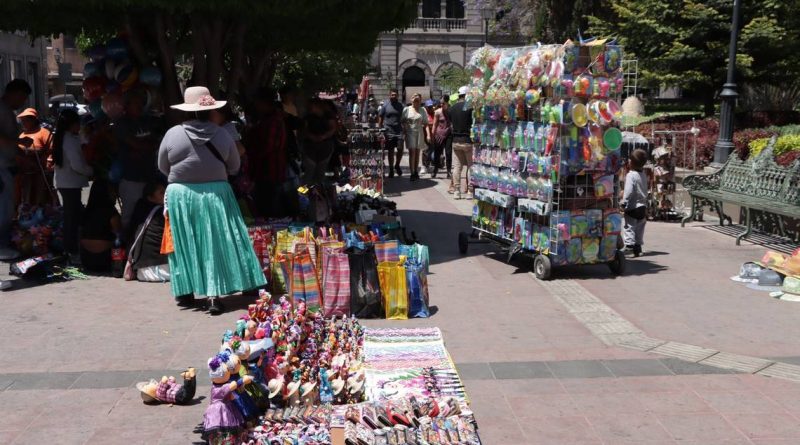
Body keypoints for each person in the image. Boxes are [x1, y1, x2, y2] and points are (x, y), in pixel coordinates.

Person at [158, 86, 265, 315]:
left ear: (186, 111)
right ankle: (216, 293)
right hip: (216, 192)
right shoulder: (222, 134)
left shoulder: (172, 134)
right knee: (218, 241)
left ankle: (186, 292)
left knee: (186, 242)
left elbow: (162, 165)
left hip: (181, 194)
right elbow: (234, 166)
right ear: (211, 110)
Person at [114, 89, 163, 231]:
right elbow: (135, 144)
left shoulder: (146, 121)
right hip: (131, 179)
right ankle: (128, 245)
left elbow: (153, 141)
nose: (140, 106)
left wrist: (148, 146)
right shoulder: (122, 124)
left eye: (141, 103)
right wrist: (150, 146)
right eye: (136, 103)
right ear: (127, 105)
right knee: (129, 216)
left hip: (149, 177)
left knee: (151, 213)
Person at [53, 109, 93, 265]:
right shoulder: (68, 140)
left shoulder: (65, 137)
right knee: (71, 219)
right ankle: (70, 251)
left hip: (66, 182)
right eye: (78, 124)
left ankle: (70, 249)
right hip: (70, 183)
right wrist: (91, 170)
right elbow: (77, 164)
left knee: (71, 217)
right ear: (72, 124)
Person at [0, 79, 33, 261]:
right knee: (3, 209)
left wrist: (19, 151)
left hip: (7, 165)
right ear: (15, 93)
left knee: (6, 207)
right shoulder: (1, 109)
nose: (22, 104)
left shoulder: (8, 112)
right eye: (22, 98)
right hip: (1, 167)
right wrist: (19, 142)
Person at [244, 89, 290, 218]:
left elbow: (268, 147)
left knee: (270, 207)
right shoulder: (266, 119)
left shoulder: (273, 121)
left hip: (269, 170)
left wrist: (251, 153)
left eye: (258, 103)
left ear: (264, 103)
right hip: (265, 170)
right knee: (267, 205)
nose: (256, 106)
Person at [126, 180, 169, 282]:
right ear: (150, 198)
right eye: (162, 193)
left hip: (141, 272)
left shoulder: (139, 212)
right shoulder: (162, 213)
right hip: (164, 271)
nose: (166, 195)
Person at [79, 179, 121, 273]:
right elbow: (119, 233)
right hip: (104, 259)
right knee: (120, 240)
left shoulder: (86, 212)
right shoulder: (111, 213)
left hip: (86, 259)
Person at [16, 107, 54, 207]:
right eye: (22, 121)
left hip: (40, 172)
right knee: (26, 199)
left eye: (25, 120)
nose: (23, 123)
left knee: (41, 199)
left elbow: (52, 150)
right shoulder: (21, 135)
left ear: (33, 120)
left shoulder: (44, 132)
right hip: (24, 173)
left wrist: (48, 164)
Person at [302, 99, 337, 184]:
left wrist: (323, 136)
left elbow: (333, 128)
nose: (309, 108)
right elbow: (304, 129)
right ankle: (305, 192)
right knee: (309, 170)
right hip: (310, 145)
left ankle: (318, 193)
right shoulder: (308, 116)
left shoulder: (328, 115)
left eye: (311, 106)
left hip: (325, 145)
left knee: (320, 172)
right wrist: (312, 137)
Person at [622, 148, 649, 257]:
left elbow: (628, 191)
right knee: (639, 227)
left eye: (629, 160)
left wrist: (624, 202)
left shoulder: (630, 175)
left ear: (631, 163)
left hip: (632, 206)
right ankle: (638, 247)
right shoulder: (643, 175)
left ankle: (629, 246)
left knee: (629, 226)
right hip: (642, 206)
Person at [448, 86, 473, 199]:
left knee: (457, 167)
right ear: (467, 95)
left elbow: (451, 123)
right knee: (470, 166)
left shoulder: (452, 108)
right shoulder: (470, 107)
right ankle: (470, 191)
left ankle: (457, 191)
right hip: (467, 140)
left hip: (456, 141)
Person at [401, 94, 429, 181]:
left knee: (417, 153)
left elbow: (426, 123)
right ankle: (412, 172)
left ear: (420, 101)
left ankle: (416, 171)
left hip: (419, 132)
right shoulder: (406, 109)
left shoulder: (422, 110)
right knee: (412, 152)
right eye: (414, 99)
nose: (416, 101)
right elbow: (402, 121)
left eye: (418, 99)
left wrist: (428, 134)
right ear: (411, 100)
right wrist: (405, 128)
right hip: (410, 132)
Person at [378, 88, 405, 178]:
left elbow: (403, 118)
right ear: (389, 95)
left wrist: (404, 129)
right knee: (390, 151)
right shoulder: (385, 105)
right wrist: (380, 129)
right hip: (388, 131)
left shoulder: (401, 106)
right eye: (392, 94)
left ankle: (397, 165)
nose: (393, 96)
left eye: (395, 95)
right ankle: (391, 169)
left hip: (399, 131)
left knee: (400, 149)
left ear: (397, 95)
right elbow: (380, 117)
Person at [430, 97, 452, 179]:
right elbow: (434, 125)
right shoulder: (437, 112)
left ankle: (449, 171)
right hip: (439, 135)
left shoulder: (450, 111)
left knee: (448, 153)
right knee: (437, 153)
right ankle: (435, 170)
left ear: (447, 103)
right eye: (441, 103)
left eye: (443, 103)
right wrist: (432, 136)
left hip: (448, 134)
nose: (441, 105)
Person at [421, 99, 436, 175]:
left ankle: (428, 165)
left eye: (431, 106)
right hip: (425, 136)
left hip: (434, 136)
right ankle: (423, 166)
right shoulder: (424, 114)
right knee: (425, 151)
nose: (430, 108)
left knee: (431, 151)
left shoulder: (435, 114)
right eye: (429, 107)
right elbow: (423, 125)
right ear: (426, 107)